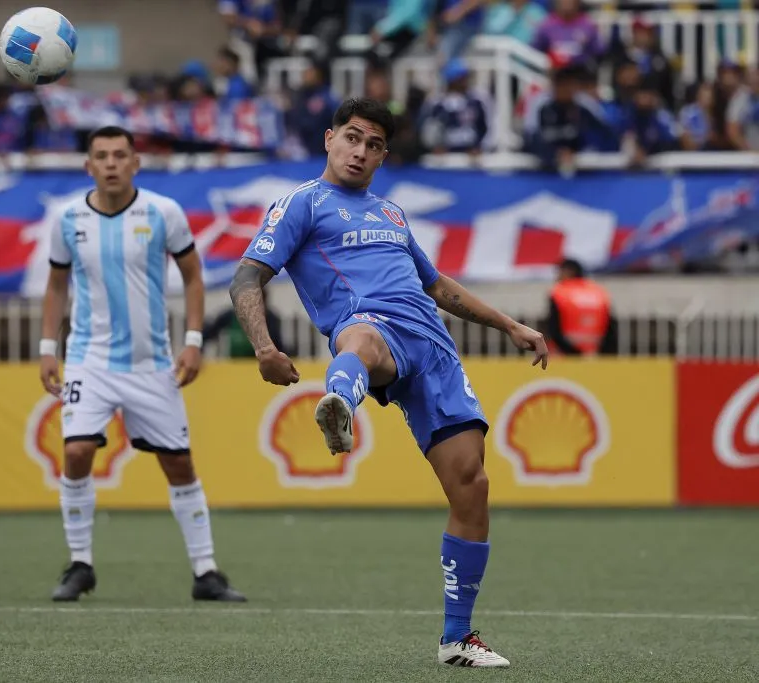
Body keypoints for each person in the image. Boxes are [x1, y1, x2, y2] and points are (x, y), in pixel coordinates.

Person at [228, 97, 548, 668]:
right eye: (352, 138)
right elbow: (246, 277)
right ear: (329, 139)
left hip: (434, 350)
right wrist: (264, 347)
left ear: (383, 156)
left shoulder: (391, 214)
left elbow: (437, 285)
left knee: (471, 485)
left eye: (374, 145)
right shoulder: (302, 203)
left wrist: (508, 324)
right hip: (370, 328)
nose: (361, 151)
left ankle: (457, 639)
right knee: (362, 339)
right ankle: (340, 402)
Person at [39, 125, 246, 604]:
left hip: (151, 363)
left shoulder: (163, 213)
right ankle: (80, 564)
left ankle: (206, 572)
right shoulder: (68, 219)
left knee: (178, 463)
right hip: (88, 360)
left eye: (119, 155)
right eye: (101, 156)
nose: (110, 163)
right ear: (88, 166)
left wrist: (193, 341)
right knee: (74, 453)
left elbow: (194, 278)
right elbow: (55, 286)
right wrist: (48, 347)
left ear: (135, 163)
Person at [546, 258, 616, 356]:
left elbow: (553, 329)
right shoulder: (599, 291)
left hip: (565, 354)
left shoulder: (559, 292)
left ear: (569, 271)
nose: (557, 277)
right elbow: (611, 328)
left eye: (559, 272)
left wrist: (575, 353)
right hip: (595, 353)